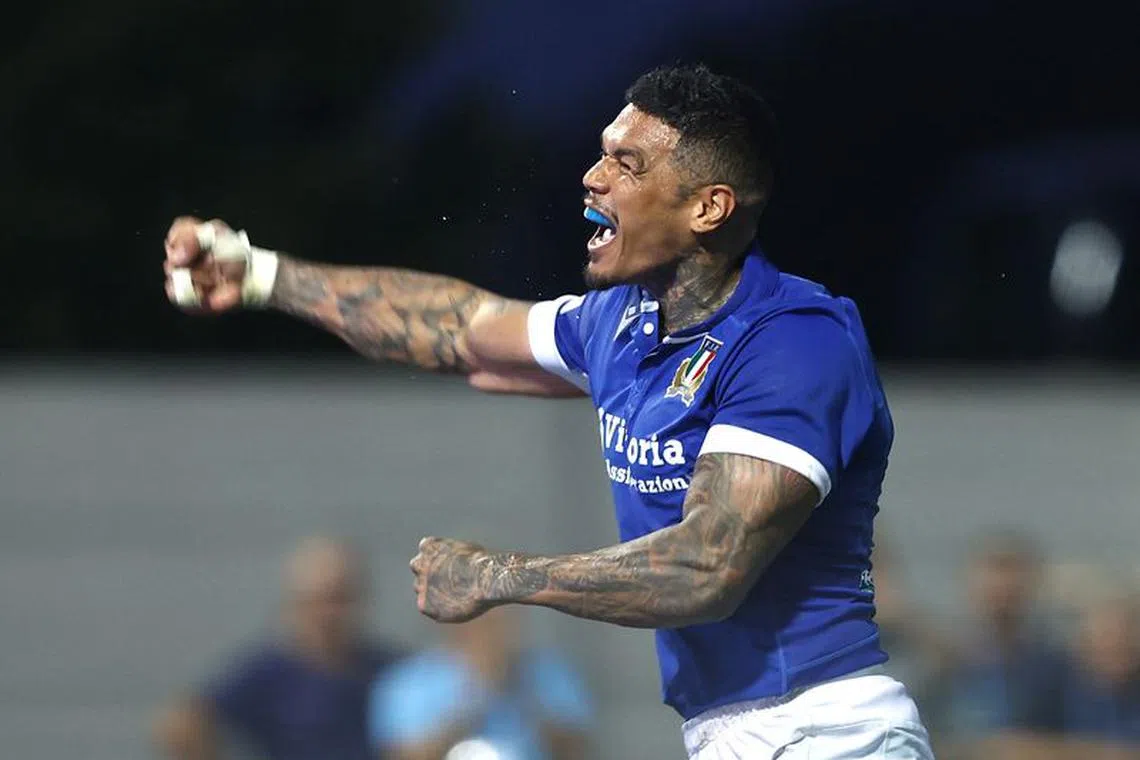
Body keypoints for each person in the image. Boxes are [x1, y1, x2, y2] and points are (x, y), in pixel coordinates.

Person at [163, 63, 932, 758]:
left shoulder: (795, 342)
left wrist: (499, 575)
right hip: (734, 734)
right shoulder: (621, 324)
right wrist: (262, 275)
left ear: (708, 207)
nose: (593, 178)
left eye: (627, 164)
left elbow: (707, 567)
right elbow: (456, 328)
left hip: (827, 731)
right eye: (602, 154)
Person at [153, 537, 401, 760]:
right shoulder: (268, 673)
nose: (329, 614)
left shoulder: (392, 671)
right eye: (318, 601)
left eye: (339, 600)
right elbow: (182, 724)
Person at [369, 607, 593, 760]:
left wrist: (520, 687)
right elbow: (404, 755)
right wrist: (476, 693)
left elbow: (575, 750)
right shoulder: (410, 682)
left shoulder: (548, 672)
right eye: (487, 622)